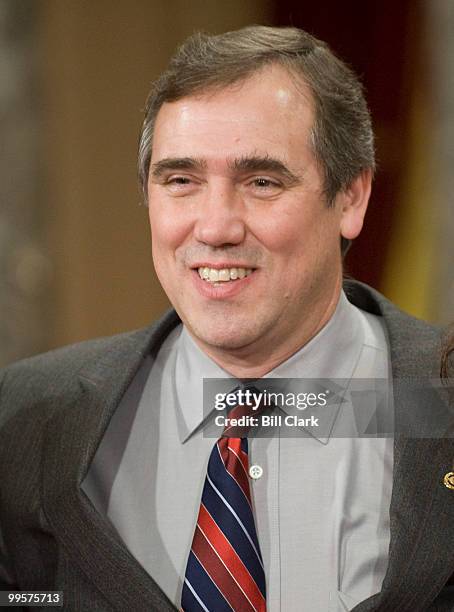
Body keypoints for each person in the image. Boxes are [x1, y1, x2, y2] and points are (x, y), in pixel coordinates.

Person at [0, 25, 453, 612]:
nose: (215, 228)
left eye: (262, 182)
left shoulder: (437, 402)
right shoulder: (28, 417)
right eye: (181, 181)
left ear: (351, 198)